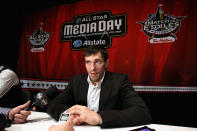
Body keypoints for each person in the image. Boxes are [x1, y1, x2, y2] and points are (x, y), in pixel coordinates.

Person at [47, 46, 151, 128]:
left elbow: (142, 112)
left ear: (106, 63)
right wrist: (70, 115)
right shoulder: (76, 81)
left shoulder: (120, 80)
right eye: (88, 62)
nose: (92, 68)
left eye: (98, 62)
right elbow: (53, 105)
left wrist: (99, 117)